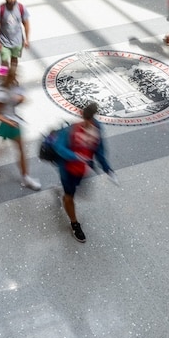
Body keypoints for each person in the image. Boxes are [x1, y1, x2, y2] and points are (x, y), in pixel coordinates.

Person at [48, 102, 114, 243]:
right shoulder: (71, 130)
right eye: (86, 119)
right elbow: (58, 146)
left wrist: (106, 168)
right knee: (70, 196)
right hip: (67, 170)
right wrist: (75, 156)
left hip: (81, 170)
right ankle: (74, 224)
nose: (88, 123)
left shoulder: (97, 128)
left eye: (90, 120)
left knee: (76, 193)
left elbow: (99, 150)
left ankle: (62, 193)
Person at [0, 67, 41, 189]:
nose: (15, 78)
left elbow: (19, 98)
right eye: (13, 76)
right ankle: (25, 177)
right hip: (8, 122)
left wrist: (20, 99)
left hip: (12, 120)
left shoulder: (13, 85)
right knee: (19, 149)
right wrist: (8, 122)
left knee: (4, 147)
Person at [0, 0, 30, 74]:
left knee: (14, 59)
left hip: (17, 41)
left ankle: (12, 77)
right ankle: (5, 78)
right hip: (4, 41)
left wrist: (27, 39)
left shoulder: (21, 8)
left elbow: (26, 24)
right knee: (4, 60)